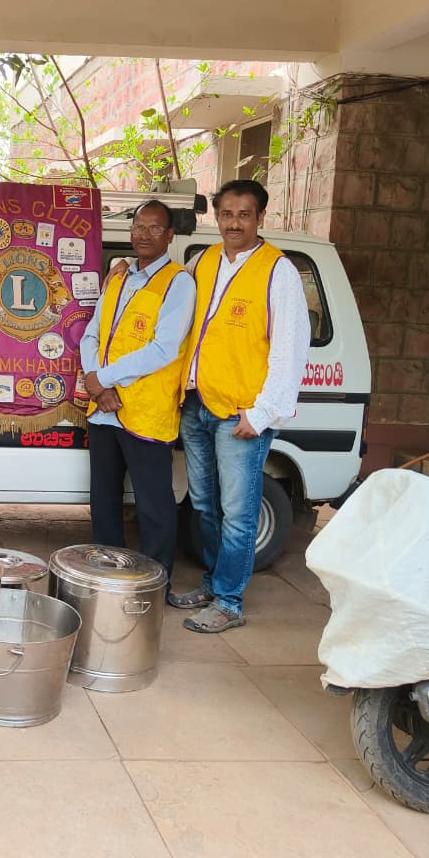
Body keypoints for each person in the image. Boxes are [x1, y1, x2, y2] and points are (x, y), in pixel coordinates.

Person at [169, 178, 311, 633]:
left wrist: (263, 412)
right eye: (226, 214)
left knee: (238, 511)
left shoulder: (278, 270)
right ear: (217, 216)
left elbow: (290, 347)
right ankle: (214, 584)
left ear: (260, 218)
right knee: (205, 506)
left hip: (240, 413)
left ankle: (229, 602)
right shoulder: (205, 260)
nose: (234, 223)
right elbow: (175, 313)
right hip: (197, 404)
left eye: (244, 215)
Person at [80, 200, 195, 579]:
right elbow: (92, 333)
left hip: (146, 413)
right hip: (104, 409)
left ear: (170, 235)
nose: (144, 235)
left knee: (154, 507)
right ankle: (108, 579)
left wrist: (105, 378)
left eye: (154, 228)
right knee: (104, 501)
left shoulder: (178, 283)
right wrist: (97, 385)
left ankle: (153, 585)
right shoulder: (119, 276)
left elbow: (164, 348)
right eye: (138, 227)